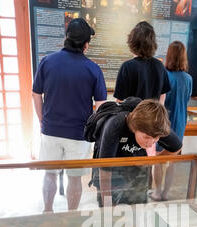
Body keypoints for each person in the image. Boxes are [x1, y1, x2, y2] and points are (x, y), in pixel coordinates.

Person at [32, 18, 107, 212]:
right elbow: (100, 106)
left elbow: (35, 93)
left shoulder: (47, 61)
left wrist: (42, 120)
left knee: (49, 174)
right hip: (79, 133)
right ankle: (71, 215)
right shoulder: (93, 69)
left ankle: (47, 211)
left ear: (66, 37)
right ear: (86, 44)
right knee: (74, 177)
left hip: (51, 130)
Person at [93, 99, 182, 207]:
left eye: (156, 138)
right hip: (110, 171)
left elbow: (176, 147)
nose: (150, 143)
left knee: (137, 212)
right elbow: (104, 170)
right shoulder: (115, 125)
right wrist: (107, 207)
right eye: (146, 137)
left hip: (136, 172)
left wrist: (151, 162)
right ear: (135, 127)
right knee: (110, 215)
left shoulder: (155, 125)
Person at [151, 41, 192, 201]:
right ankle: (166, 193)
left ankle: (157, 192)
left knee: (157, 159)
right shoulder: (188, 78)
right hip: (180, 122)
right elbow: (187, 99)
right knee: (172, 159)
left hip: (163, 121)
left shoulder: (164, 75)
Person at [113, 21, 171, 105]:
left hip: (133, 116)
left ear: (132, 41)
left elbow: (120, 100)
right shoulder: (159, 65)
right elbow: (162, 95)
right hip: (153, 116)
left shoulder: (127, 67)